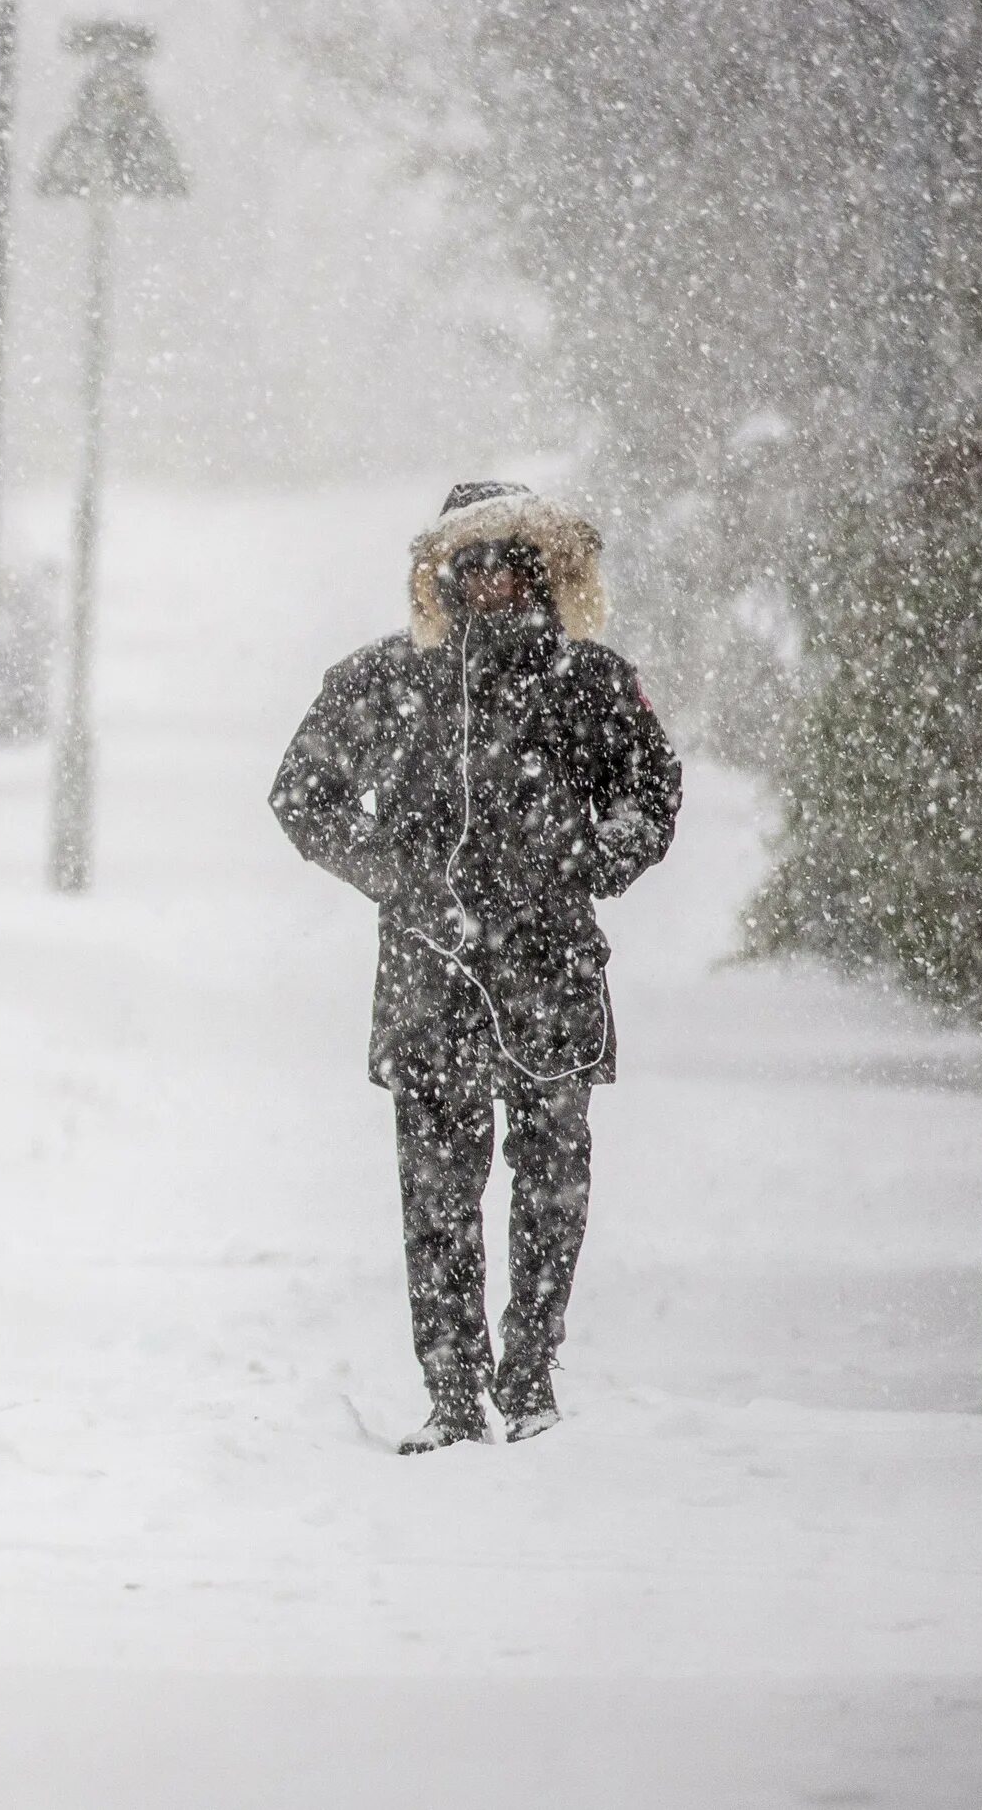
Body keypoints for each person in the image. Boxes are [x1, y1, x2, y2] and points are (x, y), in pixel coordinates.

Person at [270, 480, 681, 1454]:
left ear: (542, 568)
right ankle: (452, 1393)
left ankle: (531, 1376)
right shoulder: (388, 679)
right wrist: (397, 876)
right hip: (430, 978)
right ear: (444, 574)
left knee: (550, 1186)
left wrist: (584, 862)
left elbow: (651, 797)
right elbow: (301, 791)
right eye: (473, 561)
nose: (491, 578)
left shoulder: (589, 683)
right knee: (439, 1197)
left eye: (510, 558)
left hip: (552, 976)